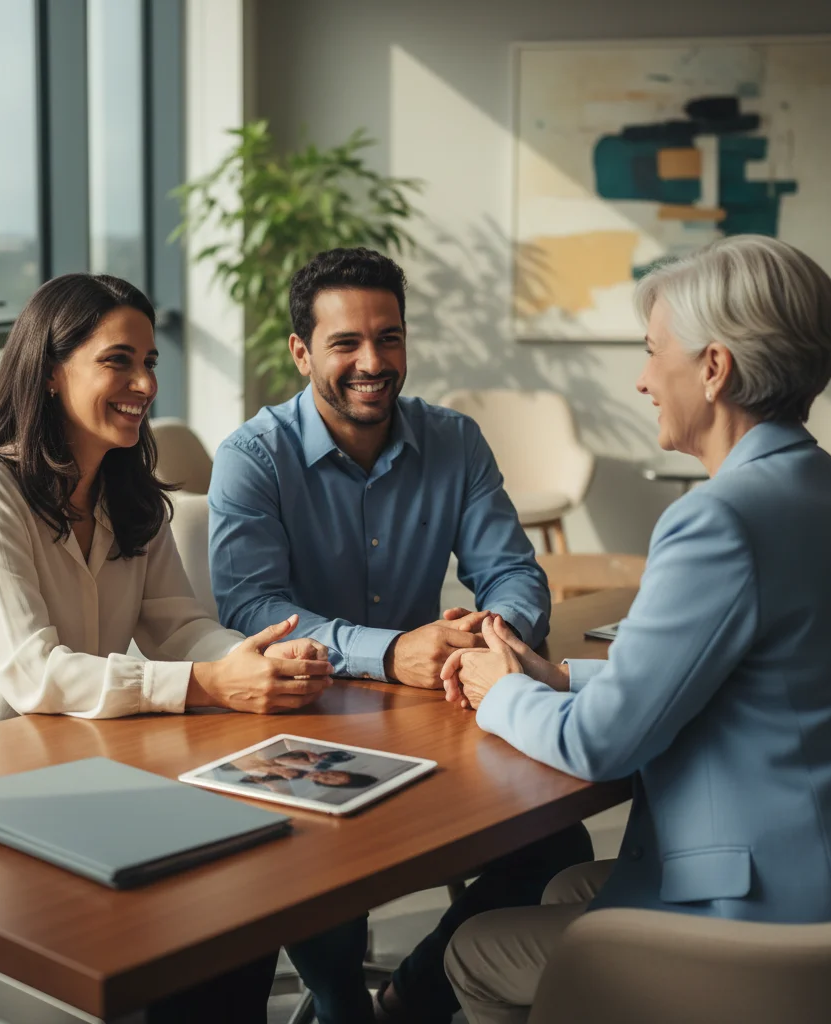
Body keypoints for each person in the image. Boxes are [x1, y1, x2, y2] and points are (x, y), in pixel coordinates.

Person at [439, 235, 831, 1024]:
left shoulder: (716, 519)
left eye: (651, 353)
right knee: (564, 886)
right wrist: (558, 676)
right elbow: (762, 677)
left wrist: (501, 692)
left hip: (763, 922)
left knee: (473, 948)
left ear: (713, 369)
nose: (642, 379)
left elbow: (601, 746)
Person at [0, 272, 335, 1022]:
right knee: (174, 895)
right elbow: (33, 674)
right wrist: (206, 682)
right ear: (49, 370)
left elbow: (176, 624)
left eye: (152, 362)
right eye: (118, 361)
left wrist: (247, 659)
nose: (143, 383)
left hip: (73, 746)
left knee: (244, 883)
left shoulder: (127, 492)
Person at [208, 248, 593, 1024]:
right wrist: (389, 651)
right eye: (346, 343)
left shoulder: (454, 441)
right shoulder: (252, 457)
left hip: (431, 715)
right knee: (325, 857)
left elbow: (515, 572)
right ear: (301, 351)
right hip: (297, 723)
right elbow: (252, 606)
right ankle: (339, 1003)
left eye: (389, 338)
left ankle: (410, 997)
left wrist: (495, 633)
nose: (372, 362)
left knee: (559, 846)